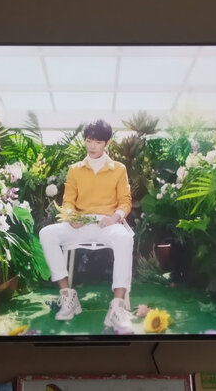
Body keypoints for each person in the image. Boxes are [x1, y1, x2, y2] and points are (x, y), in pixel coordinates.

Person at [39, 119, 134, 333]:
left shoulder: (119, 169)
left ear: (107, 143)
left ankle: (117, 307)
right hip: (80, 224)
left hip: (107, 224)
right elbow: (68, 200)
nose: (92, 146)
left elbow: (125, 201)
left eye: (98, 142)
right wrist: (71, 216)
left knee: (125, 238)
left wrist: (115, 217)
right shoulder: (75, 170)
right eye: (89, 140)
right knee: (47, 233)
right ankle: (67, 296)